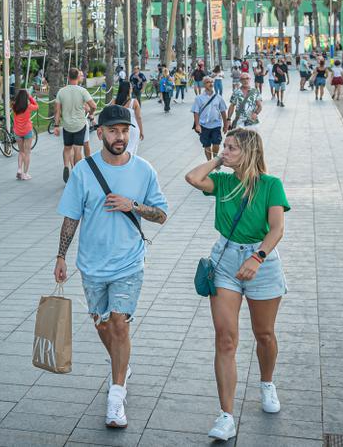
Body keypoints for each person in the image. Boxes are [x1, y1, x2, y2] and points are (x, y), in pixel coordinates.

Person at [54, 104, 169, 430]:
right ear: (100, 132)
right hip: (91, 264)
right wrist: (61, 256)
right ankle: (122, 360)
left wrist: (132, 205)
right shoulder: (83, 171)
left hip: (129, 263)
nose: (120, 137)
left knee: (119, 324)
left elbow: (161, 215)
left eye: (125, 130)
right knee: (102, 324)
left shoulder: (144, 170)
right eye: (114, 131)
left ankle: (116, 396)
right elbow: (71, 216)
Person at [183, 129, 290, 441]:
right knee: (225, 340)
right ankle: (226, 415)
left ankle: (267, 383)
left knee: (264, 334)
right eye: (224, 147)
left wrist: (256, 258)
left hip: (262, 261)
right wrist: (218, 159)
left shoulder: (270, 185)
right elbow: (192, 177)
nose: (225, 151)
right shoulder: (224, 182)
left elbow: (277, 229)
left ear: (250, 152)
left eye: (232, 148)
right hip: (225, 261)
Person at [51, 68, 96, 183]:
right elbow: (94, 106)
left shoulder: (61, 91)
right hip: (80, 125)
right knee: (77, 150)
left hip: (67, 126)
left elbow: (57, 111)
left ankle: (66, 166)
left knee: (67, 148)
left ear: (68, 77)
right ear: (77, 77)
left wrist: (56, 126)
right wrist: (91, 114)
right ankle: (76, 172)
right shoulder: (82, 91)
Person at [192, 76, 229, 161]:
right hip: (204, 125)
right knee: (207, 145)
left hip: (216, 124)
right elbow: (196, 112)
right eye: (208, 82)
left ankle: (215, 159)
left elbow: (223, 111)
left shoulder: (218, 97)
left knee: (216, 143)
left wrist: (226, 124)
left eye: (212, 82)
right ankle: (209, 162)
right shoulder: (199, 98)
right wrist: (197, 125)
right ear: (204, 84)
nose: (211, 84)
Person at [11, 88, 38, 180]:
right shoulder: (29, 106)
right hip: (27, 131)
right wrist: (30, 96)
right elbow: (37, 106)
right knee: (27, 153)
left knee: (21, 151)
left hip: (17, 132)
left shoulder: (14, 106)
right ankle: (25, 174)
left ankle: (19, 169)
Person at [114, 81, 144, 154]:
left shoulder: (114, 101)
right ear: (128, 89)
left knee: (120, 150)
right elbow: (139, 117)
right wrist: (141, 131)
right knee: (131, 150)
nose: (132, 88)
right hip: (132, 128)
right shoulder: (134, 102)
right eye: (131, 87)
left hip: (118, 128)